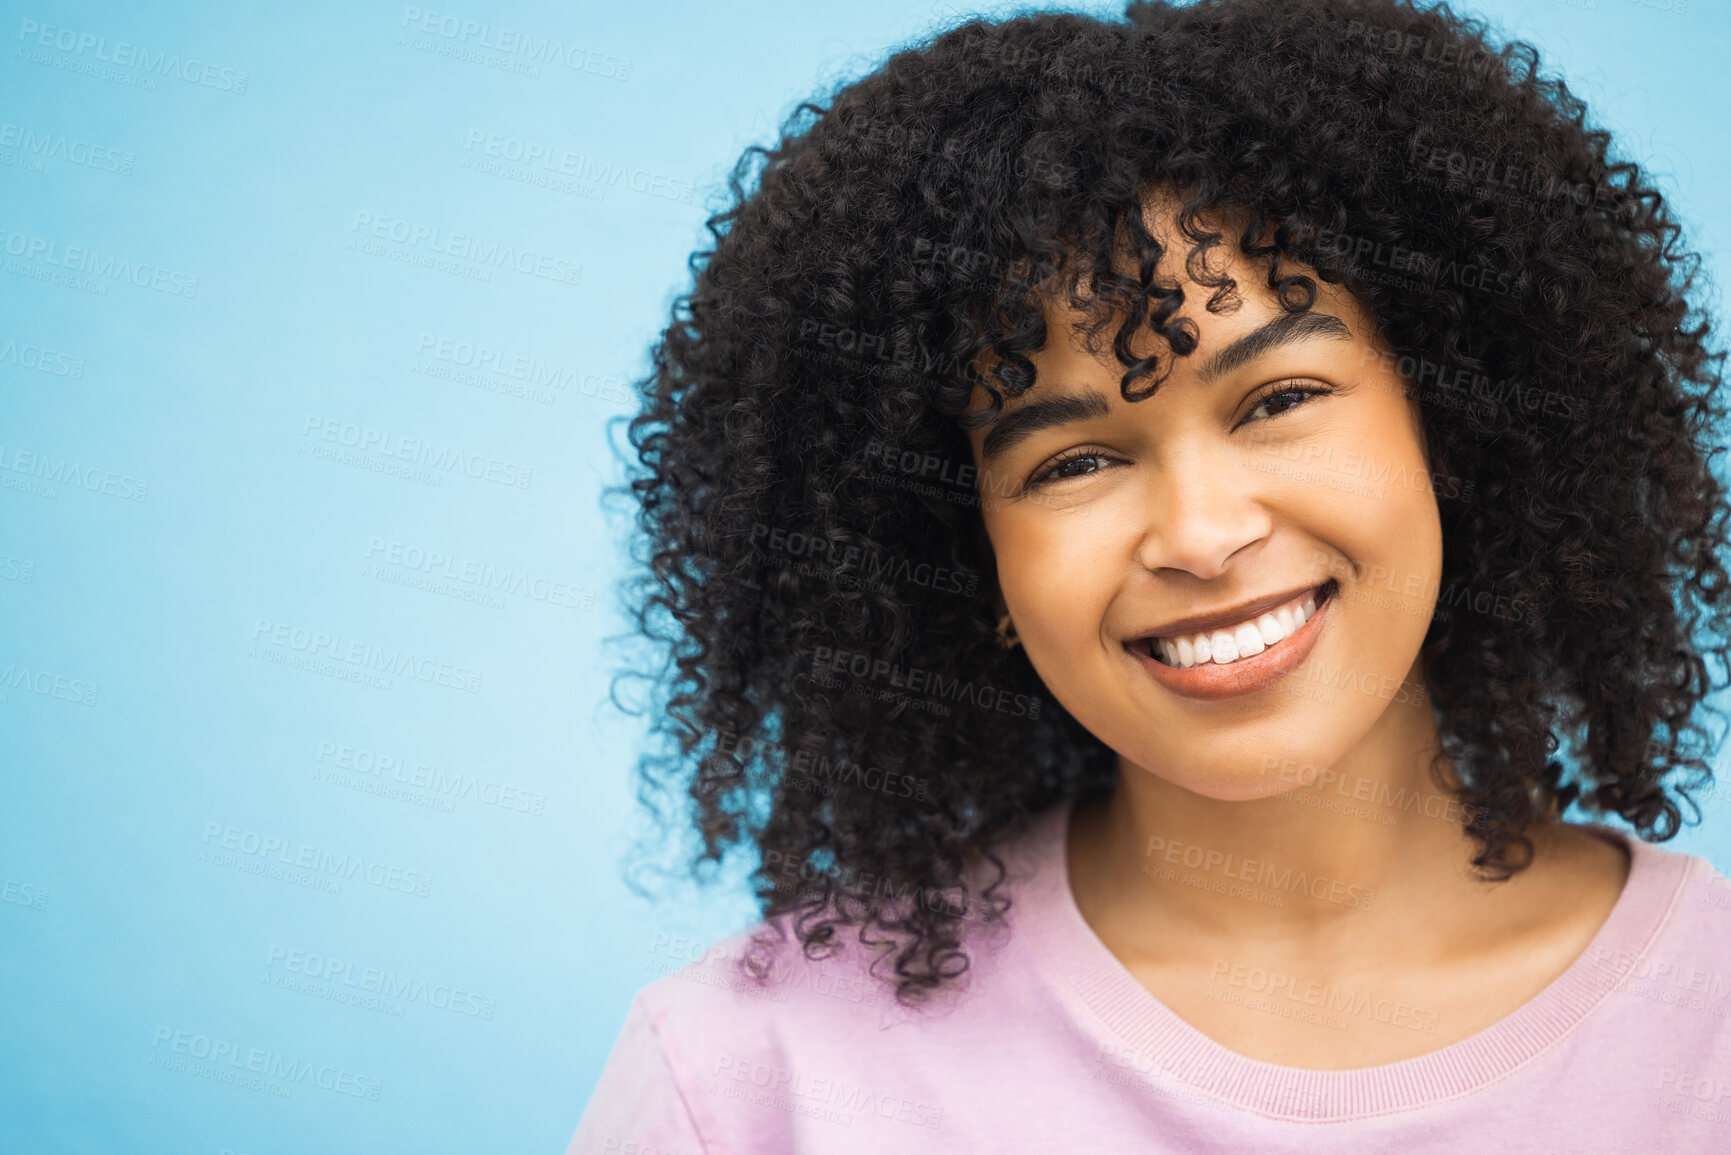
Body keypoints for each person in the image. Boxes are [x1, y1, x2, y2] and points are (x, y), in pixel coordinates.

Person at [573, 0, 1731, 1148]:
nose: (1200, 533)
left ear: (1455, 427)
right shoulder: (749, 1085)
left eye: (1278, 400)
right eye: (1073, 461)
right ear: (966, 555)